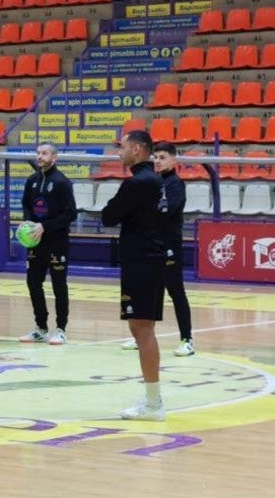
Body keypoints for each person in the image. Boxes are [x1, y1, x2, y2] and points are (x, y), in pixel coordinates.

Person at [100, 130, 167, 421]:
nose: (119, 152)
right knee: (140, 328)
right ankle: (152, 400)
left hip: (142, 260)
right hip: (146, 259)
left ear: (138, 150)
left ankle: (154, 404)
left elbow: (108, 216)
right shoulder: (154, 180)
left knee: (142, 329)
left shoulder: (137, 183)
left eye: (123, 147)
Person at [122, 142, 193, 356]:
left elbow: (164, 212)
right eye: (156, 157)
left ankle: (187, 339)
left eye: (163, 157)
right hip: (150, 246)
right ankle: (142, 335)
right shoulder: (152, 182)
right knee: (148, 292)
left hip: (169, 246)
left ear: (173, 160)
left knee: (175, 291)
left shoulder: (175, 185)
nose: (158, 161)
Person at [18, 143, 76, 344]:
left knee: (59, 285)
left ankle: (61, 329)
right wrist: (27, 221)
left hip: (57, 241)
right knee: (33, 283)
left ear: (54, 158)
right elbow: (26, 204)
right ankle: (41, 327)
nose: (40, 157)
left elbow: (70, 214)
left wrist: (45, 226)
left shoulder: (62, 182)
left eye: (44, 153)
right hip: (36, 242)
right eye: (38, 153)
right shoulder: (32, 180)